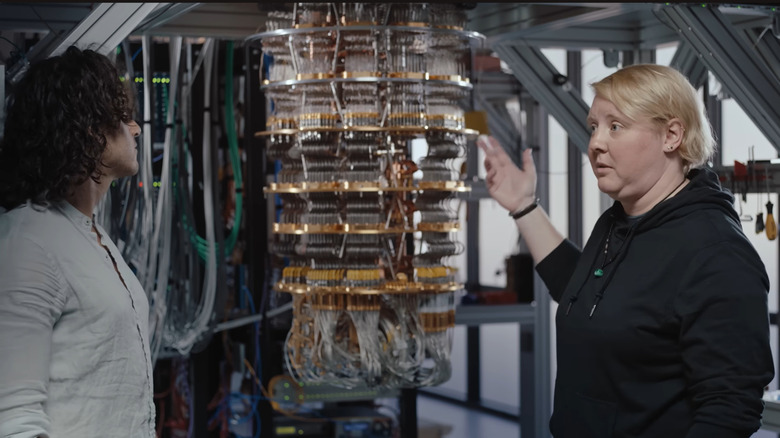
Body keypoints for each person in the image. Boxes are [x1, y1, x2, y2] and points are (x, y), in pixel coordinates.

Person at [479, 63, 774, 437]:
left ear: (671, 135)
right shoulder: (620, 221)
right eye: (593, 127)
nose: (595, 143)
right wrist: (524, 205)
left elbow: (731, 409)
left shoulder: (716, 252)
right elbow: (586, 295)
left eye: (615, 126)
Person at [0, 47, 155, 437]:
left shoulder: (91, 236)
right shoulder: (28, 241)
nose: (135, 128)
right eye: (121, 117)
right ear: (88, 130)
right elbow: (13, 419)